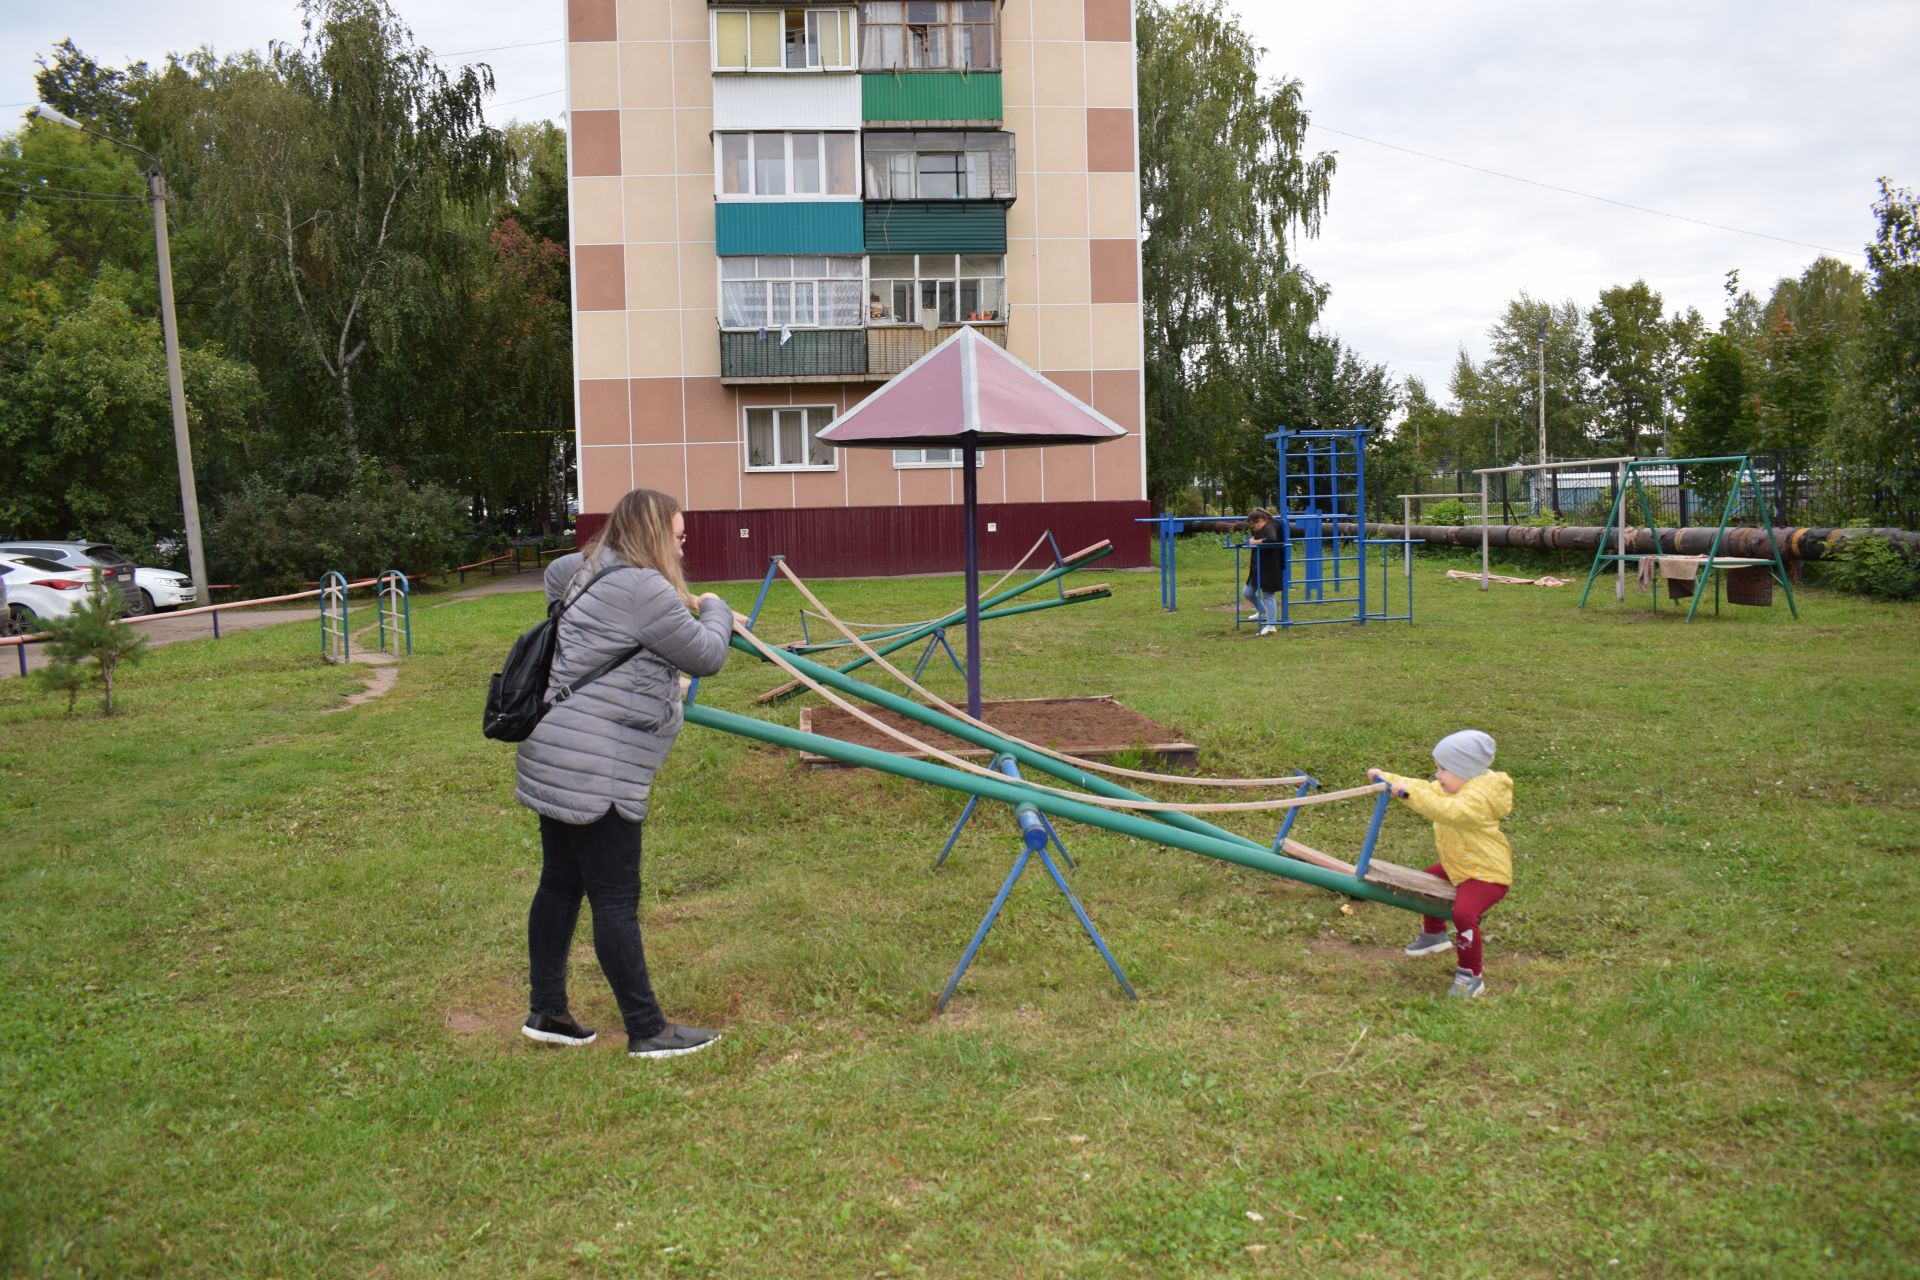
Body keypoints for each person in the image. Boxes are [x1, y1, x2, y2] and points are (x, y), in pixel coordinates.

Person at [515, 488, 735, 1057]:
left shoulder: (586, 568)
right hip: (597, 766)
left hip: (557, 747)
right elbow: (706, 655)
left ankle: (547, 1011)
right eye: (678, 538)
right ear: (653, 536)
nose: (684, 549)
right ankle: (646, 1030)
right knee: (614, 898)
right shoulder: (643, 588)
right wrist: (714, 607)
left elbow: (556, 572)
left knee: (560, 883)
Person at [1367, 730, 1513, 998]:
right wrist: (1389, 778)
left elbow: (1444, 810)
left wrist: (1407, 796)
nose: (1438, 775)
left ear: (1465, 771)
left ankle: (1470, 975)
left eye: (1443, 769)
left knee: (1464, 914)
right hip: (1461, 865)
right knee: (1427, 884)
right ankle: (1434, 936)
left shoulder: (1477, 801)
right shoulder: (1457, 787)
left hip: (1487, 874)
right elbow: (1424, 788)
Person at [1243, 508, 1287, 636]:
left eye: (1254, 526)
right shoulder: (1264, 527)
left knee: (1268, 595)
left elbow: (1271, 540)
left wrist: (1254, 542)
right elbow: (1259, 537)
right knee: (1248, 592)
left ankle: (1271, 625)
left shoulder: (1270, 526)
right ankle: (1262, 611)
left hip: (1269, 567)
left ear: (1261, 520)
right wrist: (1253, 540)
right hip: (1258, 566)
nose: (1254, 529)